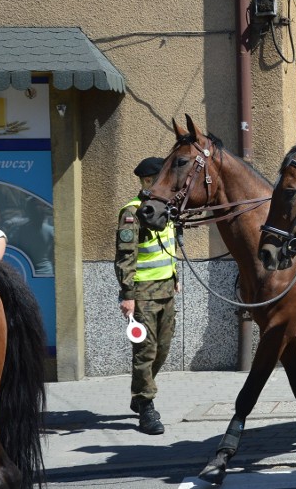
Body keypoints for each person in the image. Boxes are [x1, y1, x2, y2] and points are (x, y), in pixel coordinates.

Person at [115, 157, 178, 434]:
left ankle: (140, 393)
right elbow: (125, 256)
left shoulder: (165, 209)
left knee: (162, 350)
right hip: (143, 294)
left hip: (166, 290)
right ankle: (145, 406)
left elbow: (169, 244)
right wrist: (127, 294)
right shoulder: (133, 212)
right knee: (145, 352)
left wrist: (175, 277)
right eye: (161, 177)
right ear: (148, 181)